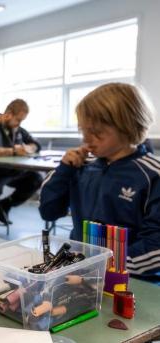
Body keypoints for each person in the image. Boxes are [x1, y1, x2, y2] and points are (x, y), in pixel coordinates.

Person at [39, 82, 160, 279]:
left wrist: (107, 267)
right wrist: (64, 171)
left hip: (130, 278)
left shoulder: (153, 176)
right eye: (83, 131)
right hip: (82, 272)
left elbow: (155, 247)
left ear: (127, 126)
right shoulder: (82, 166)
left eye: (96, 132)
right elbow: (48, 211)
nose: (86, 140)